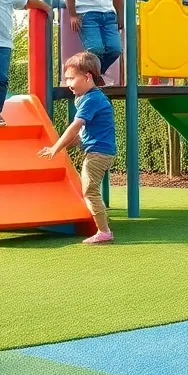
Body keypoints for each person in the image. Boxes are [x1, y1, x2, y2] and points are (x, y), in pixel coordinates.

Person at [38, 52, 117, 244]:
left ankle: (104, 231)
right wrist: (66, 146)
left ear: (87, 77)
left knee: (90, 191)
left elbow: (75, 127)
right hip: (96, 150)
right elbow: (82, 133)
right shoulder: (86, 97)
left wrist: (56, 148)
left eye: (71, 78)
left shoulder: (92, 99)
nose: (68, 83)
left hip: (99, 153)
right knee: (89, 189)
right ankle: (102, 226)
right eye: (66, 79)